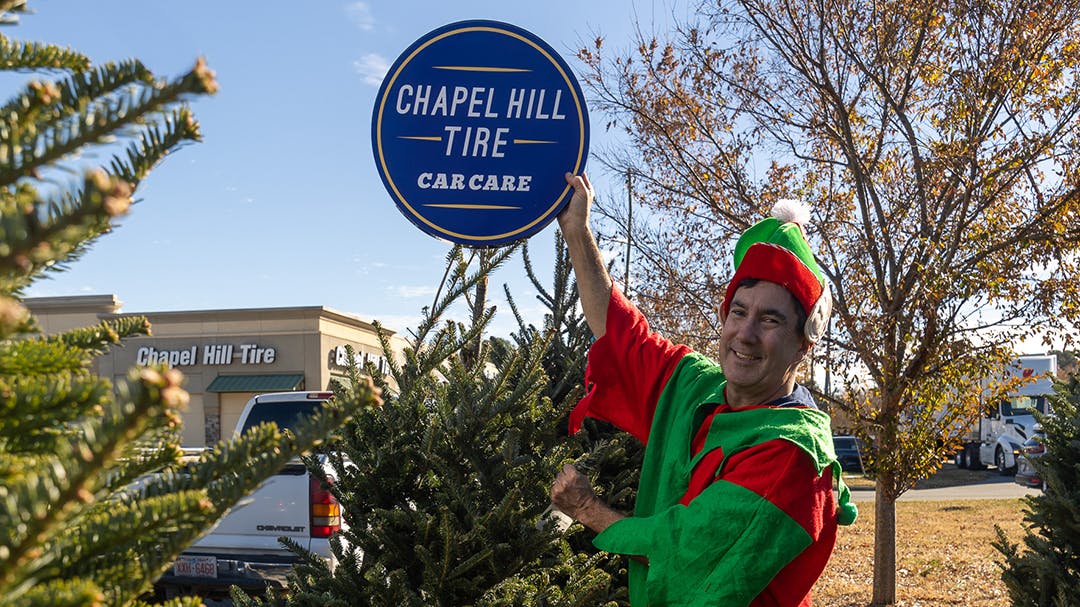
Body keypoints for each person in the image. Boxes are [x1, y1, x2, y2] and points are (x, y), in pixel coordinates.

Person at [549, 172, 857, 607]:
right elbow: (620, 333)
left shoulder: (792, 453)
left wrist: (587, 509)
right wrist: (577, 232)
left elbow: (688, 552)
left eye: (770, 320)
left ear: (803, 344)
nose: (745, 334)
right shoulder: (696, 386)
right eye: (738, 312)